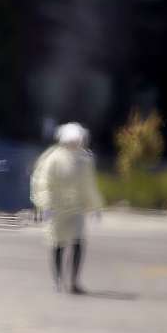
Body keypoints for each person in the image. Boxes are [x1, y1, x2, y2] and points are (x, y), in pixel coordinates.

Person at [29, 122, 105, 294]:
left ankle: (74, 282)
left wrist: (95, 206)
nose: (75, 144)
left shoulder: (85, 159)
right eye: (72, 141)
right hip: (57, 207)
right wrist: (45, 205)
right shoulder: (52, 158)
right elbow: (42, 183)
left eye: (78, 141)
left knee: (78, 241)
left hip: (76, 208)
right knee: (58, 243)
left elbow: (88, 185)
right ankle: (58, 281)